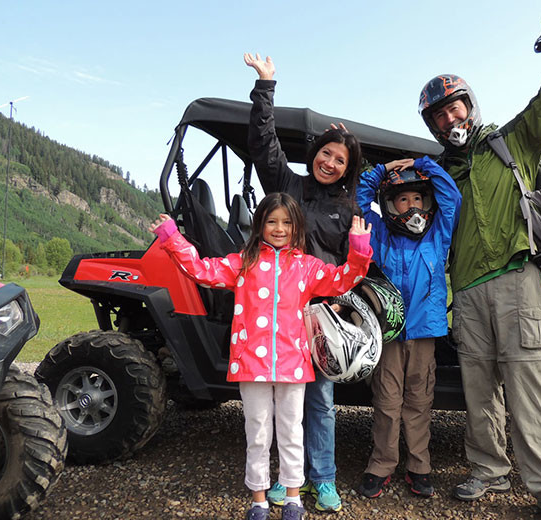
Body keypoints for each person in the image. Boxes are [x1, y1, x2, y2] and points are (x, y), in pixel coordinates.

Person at [415, 1, 541, 519]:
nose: (450, 118)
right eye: (439, 115)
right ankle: (488, 469)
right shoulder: (438, 176)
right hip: (465, 292)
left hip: (517, 280)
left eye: (455, 106)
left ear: (470, 105)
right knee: (479, 388)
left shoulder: (513, 144)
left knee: (531, 383)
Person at [149, 193, 373, 520]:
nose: (279, 228)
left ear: (297, 227)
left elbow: (344, 279)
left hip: (293, 365)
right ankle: (259, 500)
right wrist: (172, 238)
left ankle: (293, 497)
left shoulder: (308, 267)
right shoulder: (244, 262)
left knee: (291, 431)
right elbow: (201, 270)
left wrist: (359, 246)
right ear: (260, 225)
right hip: (251, 363)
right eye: (271, 221)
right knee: (257, 431)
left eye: (286, 222)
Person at [243, 52, 364, 513]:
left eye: (340, 159)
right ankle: (285, 482)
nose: (330, 163)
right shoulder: (287, 185)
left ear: (347, 168)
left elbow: (350, 264)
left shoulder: (349, 208)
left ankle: (323, 479)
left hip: (319, 315)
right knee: (276, 405)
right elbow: (262, 143)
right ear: (314, 154)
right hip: (275, 312)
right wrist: (266, 87)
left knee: (319, 401)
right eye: (326, 154)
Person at [354, 156, 461, 499]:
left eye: (417, 198)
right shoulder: (379, 233)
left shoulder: (438, 234)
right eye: (403, 199)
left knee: (419, 402)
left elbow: (452, 197)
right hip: (388, 333)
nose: (412, 206)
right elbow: (356, 201)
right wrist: (382, 171)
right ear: (389, 204)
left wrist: (424, 164)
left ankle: (419, 466)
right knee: (387, 402)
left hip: (424, 334)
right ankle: (381, 464)